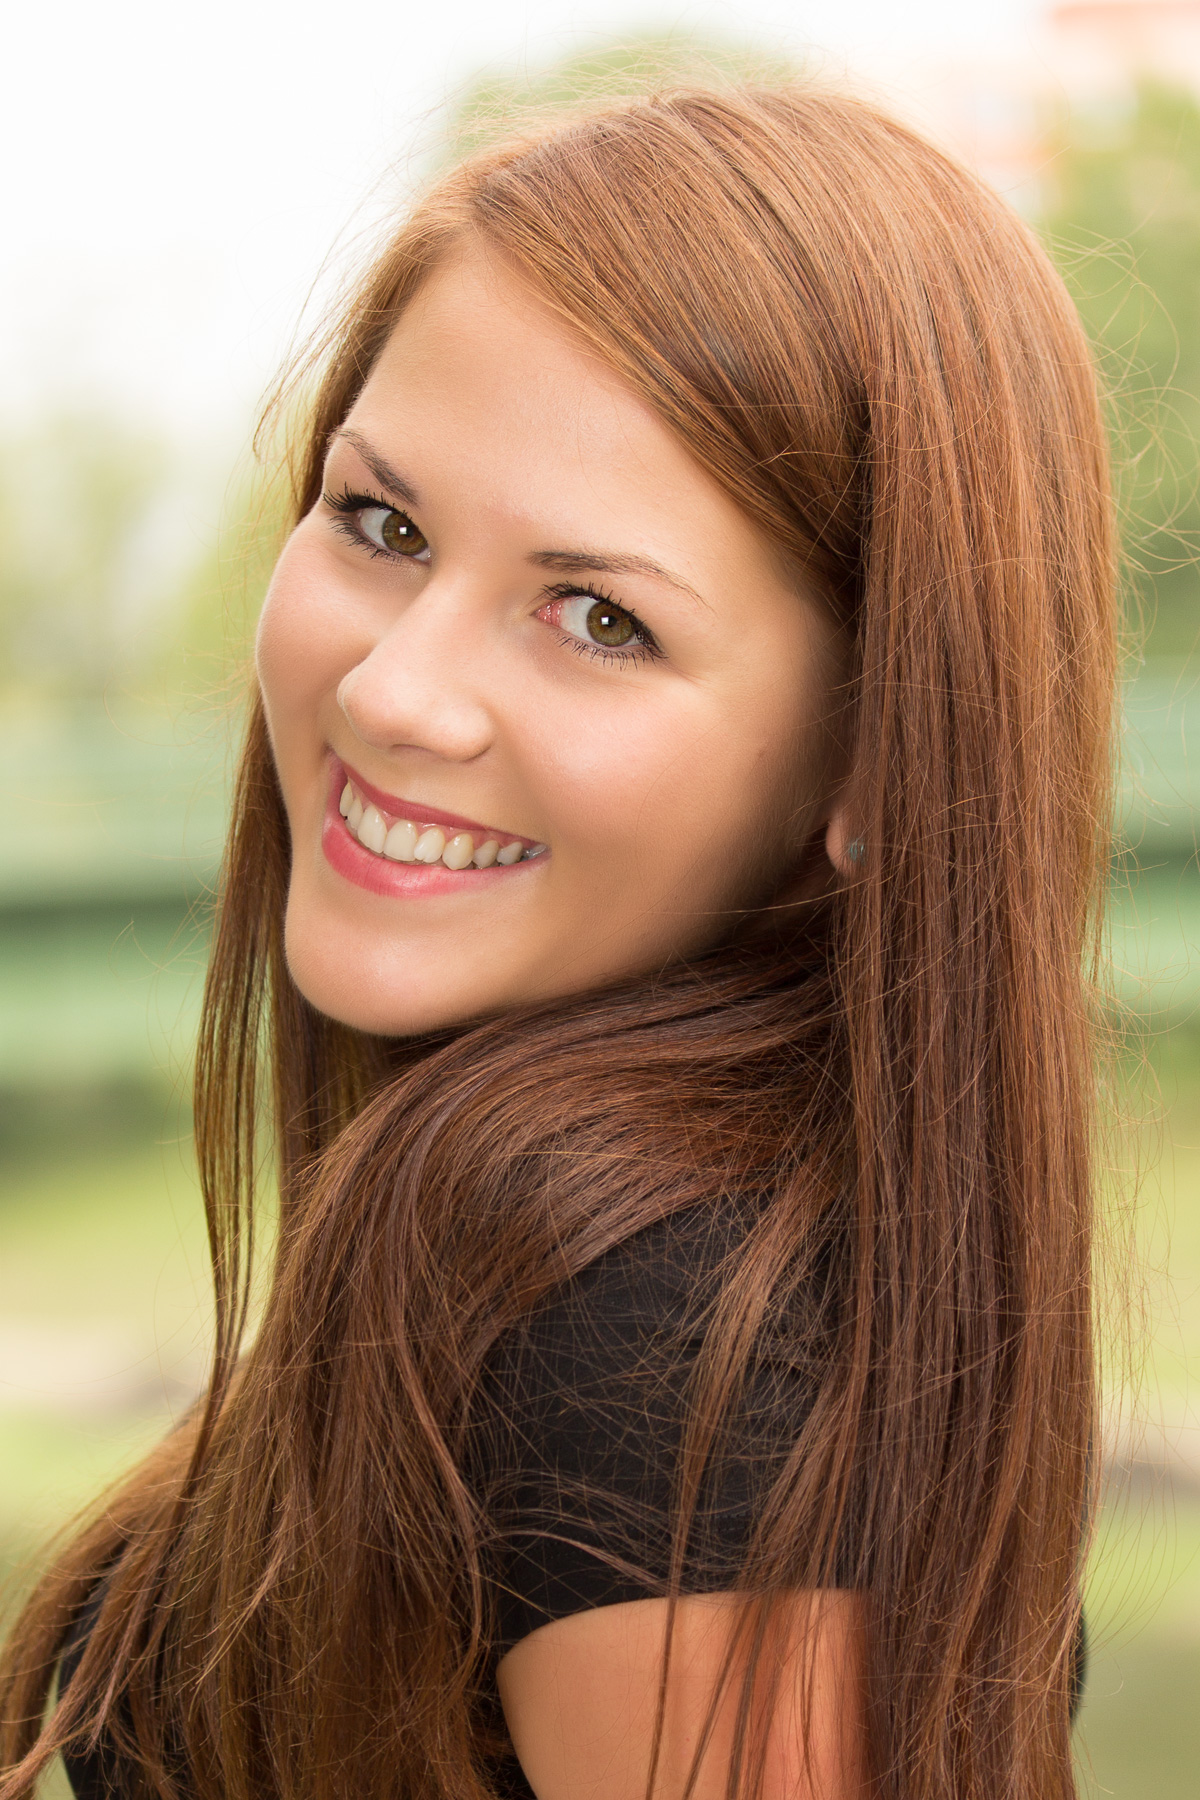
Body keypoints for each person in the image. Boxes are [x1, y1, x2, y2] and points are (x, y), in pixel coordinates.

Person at [0, 84, 1114, 1800]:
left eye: (599, 618)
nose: (395, 691)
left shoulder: (655, 1352)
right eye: (383, 526)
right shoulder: (575, 1261)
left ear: (872, 761)